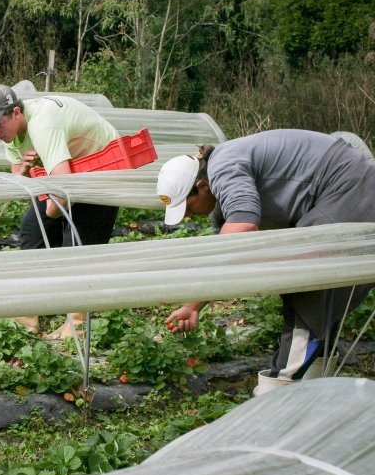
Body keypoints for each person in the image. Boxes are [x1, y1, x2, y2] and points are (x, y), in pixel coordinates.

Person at [156, 129, 375, 394]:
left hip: (347, 184)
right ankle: (314, 390)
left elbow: (243, 227)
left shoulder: (223, 169)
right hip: (335, 191)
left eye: (188, 207)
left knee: (310, 291)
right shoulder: (221, 201)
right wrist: (193, 306)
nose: (189, 216)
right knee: (313, 289)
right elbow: (225, 260)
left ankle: (274, 394)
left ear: (201, 187)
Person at [0, 84, 121, 339]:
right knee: (33, 229)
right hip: (71, 170)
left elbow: (63, 190)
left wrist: (52, 212)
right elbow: (19, 177)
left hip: (103, 166)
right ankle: (29, 310)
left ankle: (77, 323)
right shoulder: (10, 134)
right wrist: (29, 172)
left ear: (16, 112)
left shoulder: (43, 124)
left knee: (76, 244)